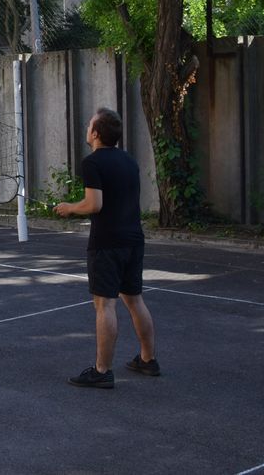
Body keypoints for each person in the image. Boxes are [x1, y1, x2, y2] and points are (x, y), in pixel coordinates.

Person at [54, 107, 160, 389]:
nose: (86, 128)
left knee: (104, 304)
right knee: (135, 300)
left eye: (90, 125)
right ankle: (148, 359)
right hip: (134, 240)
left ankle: (102, 371)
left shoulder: (92, 163)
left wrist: (70, 208)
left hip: (107, 244)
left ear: (96, 134)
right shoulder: (129, 161)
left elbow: (94, 204)